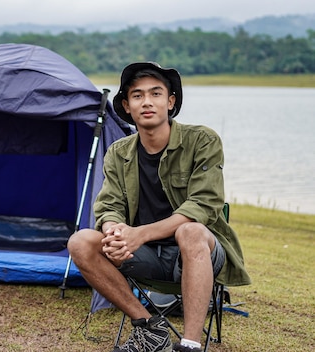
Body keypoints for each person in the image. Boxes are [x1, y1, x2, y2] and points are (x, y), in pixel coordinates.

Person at [67, 62, 251, 352]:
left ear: (171, 101)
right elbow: (108, 205)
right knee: (80, 242)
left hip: (197, 254)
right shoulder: (118, 152)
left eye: (156, 93)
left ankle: (189, 344)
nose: (147, 102)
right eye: (137, 95)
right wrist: (115, 233)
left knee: (190, 231)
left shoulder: (202, 140)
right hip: (145, 258)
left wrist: (139, 234)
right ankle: (150, 328)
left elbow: (204, 204)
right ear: (127, 106)